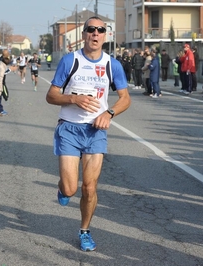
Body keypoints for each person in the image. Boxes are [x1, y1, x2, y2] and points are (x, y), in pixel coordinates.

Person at [46, 16, 131, 252]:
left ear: (105, 35)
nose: (95, 34)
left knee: (90, 188)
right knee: (71, 189)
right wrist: (73, 98)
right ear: (83, 34)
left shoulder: (112, 65)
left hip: (96, 131)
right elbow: (51, 96)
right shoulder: (69, 61)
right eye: (91, 30)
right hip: (70, 129)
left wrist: (109, 113)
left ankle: (85, 230)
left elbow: (125, 98)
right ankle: (63, 187)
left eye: (100, 30)